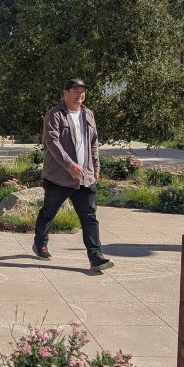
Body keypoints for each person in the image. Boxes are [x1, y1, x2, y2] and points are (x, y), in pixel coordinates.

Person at [33, 78, 114, 271]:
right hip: (58, 177)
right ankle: (40, 242)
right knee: (48, 212)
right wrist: (68, 164)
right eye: (76, 91)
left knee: (89, 217)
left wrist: (95, 166)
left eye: (83, 91)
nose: (80, 95)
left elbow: (93, 143)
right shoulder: (54, 115)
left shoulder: (88, 114)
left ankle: (96, 257)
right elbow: (52, 142)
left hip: (84, 178)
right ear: (65, 93)